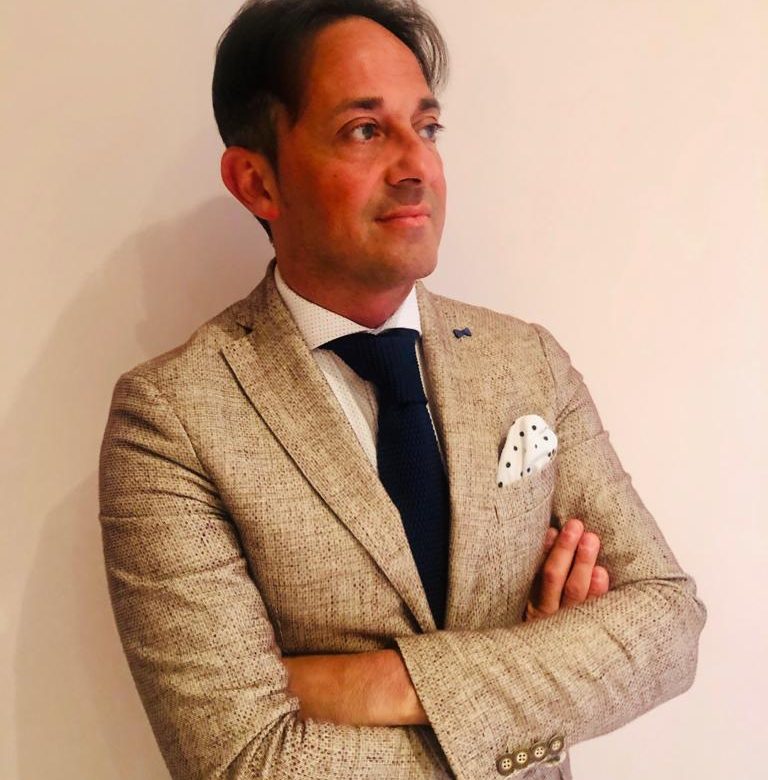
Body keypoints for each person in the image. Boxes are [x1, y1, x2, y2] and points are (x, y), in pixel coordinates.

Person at [98, 1, 706, 778]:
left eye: (427, 126)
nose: (416, 164)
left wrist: (376, 683)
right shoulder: (172, 419)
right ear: (257, 181)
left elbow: (669, 624)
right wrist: (542, 675)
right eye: (365, 130)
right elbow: (243, 759)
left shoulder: (526, 360)